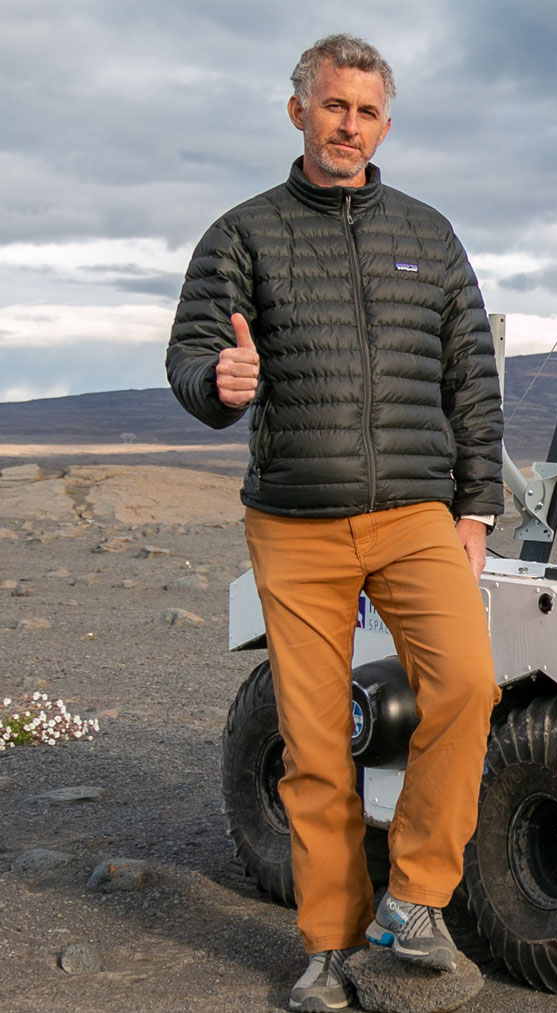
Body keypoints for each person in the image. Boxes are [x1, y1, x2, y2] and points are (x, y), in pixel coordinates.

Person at [165, 34, 502, 1013]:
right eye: (331, 105)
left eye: (365, 111)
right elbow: (193, 352)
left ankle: (417, 899)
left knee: (468, 686)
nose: (347, 125)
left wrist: (474, 504)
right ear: (297, 111)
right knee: (315, 745)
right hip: (295, 522)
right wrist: (214, 385)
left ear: (383, 124)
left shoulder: (429, 235)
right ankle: (323, 946)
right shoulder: (242, 234)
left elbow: (471, 377)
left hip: (413, 515)